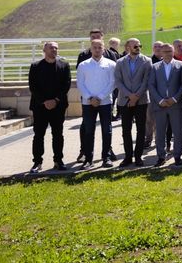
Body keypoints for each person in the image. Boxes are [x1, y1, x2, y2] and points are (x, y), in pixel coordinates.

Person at [27, 41, 71, 172]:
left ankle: (58, 161)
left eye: (56, 48)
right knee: (38, 135)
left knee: (58, 135)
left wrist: (55, 100)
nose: (54, 50)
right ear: (44, 50)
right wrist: (45, 101)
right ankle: (37, 162)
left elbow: (66, 85)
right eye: (51, 48)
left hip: (58, 106)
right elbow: (33, 86)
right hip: (40, 106)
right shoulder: (35, 66)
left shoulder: (64, 65)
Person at [76, 39, 117, 168]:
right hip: (88, 103)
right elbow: (80, 83)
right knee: (88, 131)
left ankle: (106, 157)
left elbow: (113, 83)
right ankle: (88, 159)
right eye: (95, 47)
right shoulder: (83, 65)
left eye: (100, 47)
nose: (97, 49)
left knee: (107, 130)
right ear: (91, 49)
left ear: (104, 49)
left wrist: (100, 97)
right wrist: (90, 98)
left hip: (105, 102)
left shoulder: (111, 64)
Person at [114, 38, 153, 166]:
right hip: (124, 101)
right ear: (127, 48)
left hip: (141, 101)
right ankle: (128, 157)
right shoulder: (120, 62)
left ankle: (138, 157)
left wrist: (136, 97)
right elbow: (118, 81)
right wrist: (129, 96)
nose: (138, 48)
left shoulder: (147, 61)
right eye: (135, 46)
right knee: (126, 130)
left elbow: (146, 81)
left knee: (141, 130)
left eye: (139, 45)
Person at [148, 43, 182, 166]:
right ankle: (161, 157)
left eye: (170, 51)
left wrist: (174, 99)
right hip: (160, 105)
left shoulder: (181, 65)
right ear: (161, 53)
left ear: (173, 52)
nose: (168, 54)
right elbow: (151, 85)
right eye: (165, 51)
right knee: (160, 133)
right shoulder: (154, 67)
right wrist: (160, 100)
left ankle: (177, 156)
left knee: (178, 132)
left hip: (176, 105)